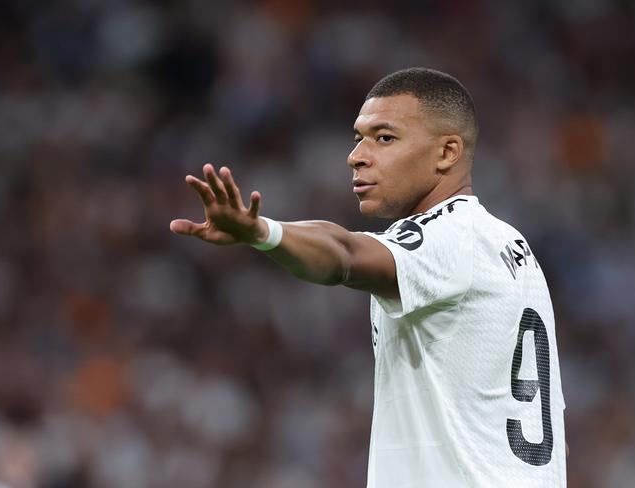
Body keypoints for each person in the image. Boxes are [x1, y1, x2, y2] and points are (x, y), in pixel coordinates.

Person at [170, 68, 567, 487]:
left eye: (384, 138)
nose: (357, 155)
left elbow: (344, 254)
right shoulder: (507, 245)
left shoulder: (452, 237)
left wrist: (262, 232)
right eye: (358, 137)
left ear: (447, 152)